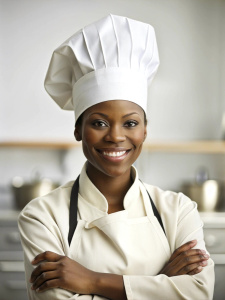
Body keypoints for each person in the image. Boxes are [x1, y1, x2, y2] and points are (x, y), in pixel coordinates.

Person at [18, 14, 214, 300]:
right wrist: (162, 283)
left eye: (130, 123)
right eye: (99, 123)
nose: (116, 136)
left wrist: (93, 281)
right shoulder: (41, 216)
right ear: (77, 130)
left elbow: (198, 292)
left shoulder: (178, 210)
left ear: (145, 131)